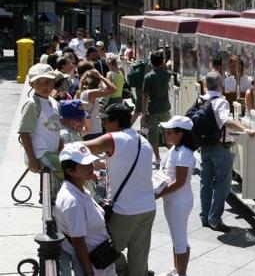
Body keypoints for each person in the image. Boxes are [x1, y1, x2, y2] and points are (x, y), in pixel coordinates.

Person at [83, 103, 156, 276]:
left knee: (104, 248)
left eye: (106, 120)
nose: (104, 124)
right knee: (139, 257)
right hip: (148, 208)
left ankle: (121, 271)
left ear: (115, 122)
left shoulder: (113, 138)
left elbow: (80, 147)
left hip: (126, 210)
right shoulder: (143, 141)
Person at [199, 71, 255, 232]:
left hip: (205, 145)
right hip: (219, 147)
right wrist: (246, 130)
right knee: (223, 184)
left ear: (205, 85)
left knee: (206, 182)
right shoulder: (220, 102)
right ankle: (215, 219)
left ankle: (204, 216)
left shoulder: (201, 99)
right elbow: (227, 121)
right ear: (220, 85)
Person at [54, 142, 116, 276]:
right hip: (94, 266)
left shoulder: (79, 189)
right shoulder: (72, 201)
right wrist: (88, 273)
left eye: (91, 162)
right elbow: (78, 242)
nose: (91, 166)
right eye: (85, 165)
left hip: (102, 260)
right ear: (70, 171)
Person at [156, 116, 197, 276]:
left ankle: (181, 274)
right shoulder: (176, 148)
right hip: (173, 201)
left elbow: (179, 182)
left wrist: (158, 194)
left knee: (180, 241)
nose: (165, 134)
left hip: (178, 203)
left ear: (180, 134)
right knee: (176, 238)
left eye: (169, 132)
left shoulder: (184, 153)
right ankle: (177, 270)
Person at [18, 63, 63, 197]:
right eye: (39, 82)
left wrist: (63, 149)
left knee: (75, 162)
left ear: (53, 83)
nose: (44, 86)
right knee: (72, 168)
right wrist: (32, 159)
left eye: (48, 82)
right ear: (32, 84)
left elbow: (56, 129)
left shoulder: (54, 102)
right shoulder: (32, 104)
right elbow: (24, 133)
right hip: (40, 154)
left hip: (53, 152)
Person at [142, 50, 171, 166]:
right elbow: (167, 66)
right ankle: (171, 157)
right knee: (168, 133)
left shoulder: (148, 77)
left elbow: (145, 97)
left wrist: (144, 114)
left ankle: (158, 158)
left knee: (153, 135)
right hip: (165, 108)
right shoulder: (167, 74)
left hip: (152, 109)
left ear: (151, 63)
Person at [77, 69, 118, 140]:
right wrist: (100, 76)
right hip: (93, 131)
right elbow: (113, 89)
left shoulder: (83, 93)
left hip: (88, 131)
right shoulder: (91, 93)